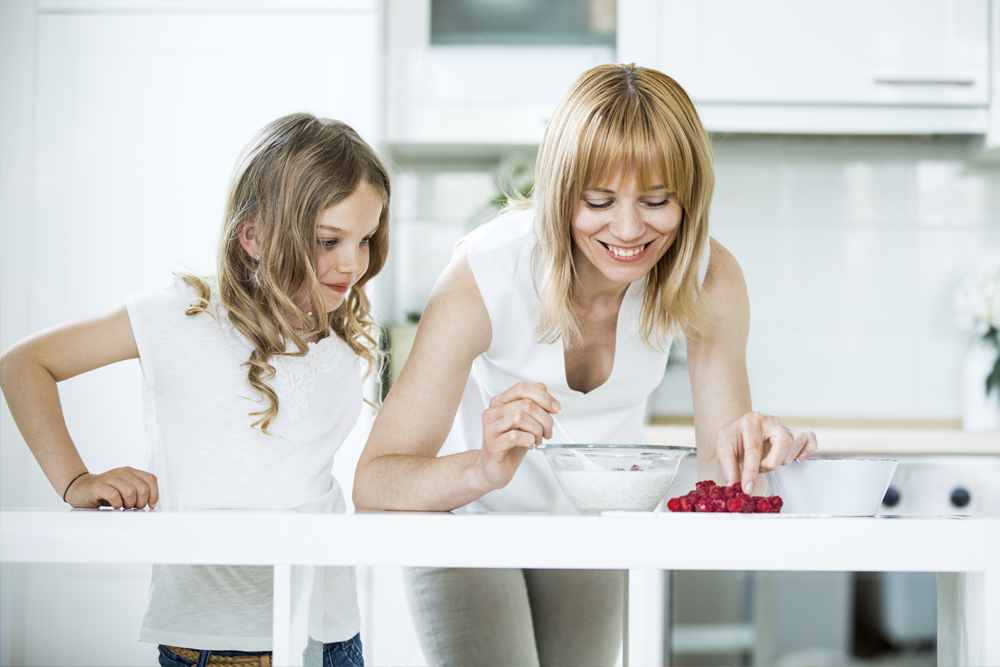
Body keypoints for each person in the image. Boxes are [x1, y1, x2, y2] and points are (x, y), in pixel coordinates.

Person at [352, 63, 819, 666]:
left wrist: (759, 453)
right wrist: (484, 470)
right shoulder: (486, 273)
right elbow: (374, 482)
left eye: (657, 201)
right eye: (598, 201)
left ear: (690, 199)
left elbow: (719, 475)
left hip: (599, 524)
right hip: (467, 525)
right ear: (560, 193)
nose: (628, 230)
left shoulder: (710, 276)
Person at [0, 113, 390, 667]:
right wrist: (76, 481)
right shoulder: (181, 317)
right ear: (253, 236)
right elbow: (24, 364)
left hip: (330, 633)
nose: (353, 262)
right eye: (329, 240)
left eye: (366, 238)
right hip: (217, 644)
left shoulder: (340, 339)